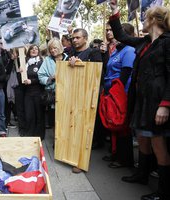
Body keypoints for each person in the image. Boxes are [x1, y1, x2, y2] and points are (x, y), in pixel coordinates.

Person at [109, 1, 170, 200]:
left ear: (153, 20)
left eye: (145, 18)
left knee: (158, 144)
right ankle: (142, 175)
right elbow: (121, 35)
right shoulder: (144, 43)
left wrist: (165, 105)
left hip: (158, 102)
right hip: (142, 101)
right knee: (143, 138)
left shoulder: (167, 42)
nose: (143, 21)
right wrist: (115, 11)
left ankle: (163, 191)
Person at [101, 23, 136, 169]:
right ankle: (115, 153)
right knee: (113, 124)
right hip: (111, 92)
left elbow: (125, 73)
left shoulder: (129, 50)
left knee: (122, 127)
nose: (112, 34)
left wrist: (115, 92)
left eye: (114, 31)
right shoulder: (116, 51)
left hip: (121, 93)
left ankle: (125, 159)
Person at [68, 28, 102, 173]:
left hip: (87, 96)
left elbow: (97, 73)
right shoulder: (71, 53)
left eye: (77, 37)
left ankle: (81, 161)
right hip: (73, 94)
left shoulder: (93, 52)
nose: (74, 40)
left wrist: (81, 64)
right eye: (73, 38)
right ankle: (71, 155)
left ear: (85, 38)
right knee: (73, 127)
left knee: (84, 129)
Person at [38, 38, 69, 142]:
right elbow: (40, 75)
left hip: (66, 94)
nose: (52, 50)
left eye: (55, 48)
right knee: (54, 120)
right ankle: (57, 142)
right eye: (51, 49)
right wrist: (50, 78)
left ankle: (65, 140)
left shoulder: (68, 58)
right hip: (53, 96)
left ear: (60, 47)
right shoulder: (47, 60)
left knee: (65, 118)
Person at [21, 45, 45, 140]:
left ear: (38, 51)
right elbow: (21, 80)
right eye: (32, 49)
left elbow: (43, 77)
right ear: (29, 51)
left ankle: (39, 135)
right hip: (28, 93)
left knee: (39, 115)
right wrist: (21, 72)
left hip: (38, 92)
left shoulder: (41, 62)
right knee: (29, 114)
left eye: (36, 49)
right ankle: (30, 134)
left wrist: (32, 81)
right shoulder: (25, 63)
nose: (34, 50)